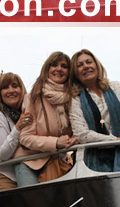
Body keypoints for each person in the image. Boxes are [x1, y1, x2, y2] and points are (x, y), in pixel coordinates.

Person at [16, 51, 77, 185]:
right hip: (31, 163)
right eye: (54, 65)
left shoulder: (73, 100)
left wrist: (74, 139)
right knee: (33, 204)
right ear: (47, 69)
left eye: (64, 66)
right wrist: (55, 143)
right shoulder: (32, 98)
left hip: (58, 163)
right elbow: (25, 137)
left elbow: (75, 132)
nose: (59, 69)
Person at [0, 72, 31, 192]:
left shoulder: (29, 113)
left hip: (29, 173)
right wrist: (18, 128)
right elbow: (3, 154)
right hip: (5, 178)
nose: (10, 90)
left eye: (15, 86)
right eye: (5, 87)